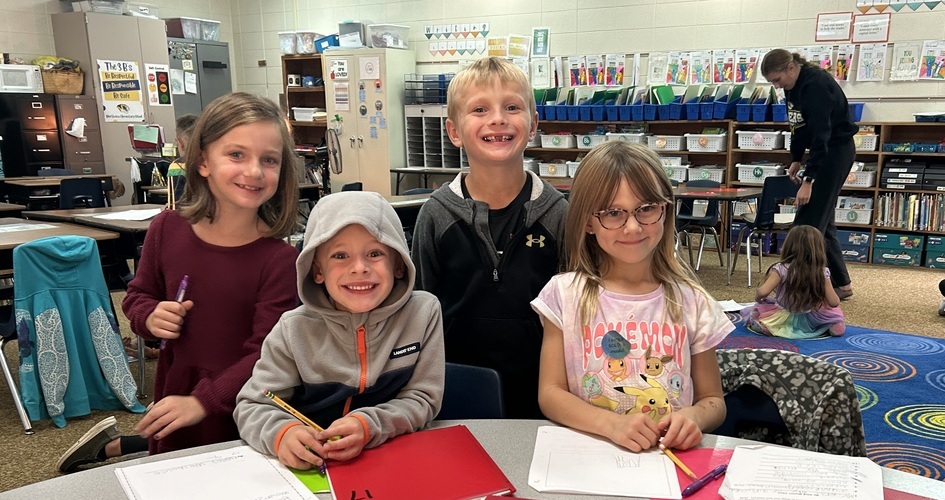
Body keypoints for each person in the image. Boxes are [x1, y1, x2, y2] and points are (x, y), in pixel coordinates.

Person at [56, 92, 301, 472]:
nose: (254, 171)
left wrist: (204, 401)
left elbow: (266, 355)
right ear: (202, 161)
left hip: (244, 409)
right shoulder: (167, 229)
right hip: (175, 396)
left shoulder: (280, 261)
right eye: (237, 155)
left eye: (269, 160)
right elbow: (137, 295)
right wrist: (151, 316)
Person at [531, 141, 732, 452]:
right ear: (588, 222)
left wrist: (693, 418)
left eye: (646, 208)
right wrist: (610, 424)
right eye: (613, 213)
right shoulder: (564, 295)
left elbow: (713, 400)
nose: (633, 227)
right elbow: (550, 393)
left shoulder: (693, 301)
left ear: (665, 210)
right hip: (590, 455)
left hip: (667, 460)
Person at [234, 191, 444, 470]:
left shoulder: (423, 312)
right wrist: (282, 434)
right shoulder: (293, 329)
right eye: (340, 255)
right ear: (317, 271)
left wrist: (369, 424)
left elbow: (423, 398)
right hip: (315, 465)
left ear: (398, 265)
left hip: (391, 458)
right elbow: (251, 406)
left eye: (375, 253)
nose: (359, 268)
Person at [410, 56, 568, 419]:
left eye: (512, 107)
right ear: (454, 132)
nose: (497, 119)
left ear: (533, 125)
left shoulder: (559, 214)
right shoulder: (436, 215)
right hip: (454, 391)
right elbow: (419, 308)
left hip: (543, 392)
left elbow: (574, 311)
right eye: (480, 109)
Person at [761, 48, 857, 300]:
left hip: (835, 150)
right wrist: (795, 158)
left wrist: (809, 181)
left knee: (807, 225)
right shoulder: (792, 86)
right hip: (823, 150)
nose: (777, 86)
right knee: (823, 220)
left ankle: (798, 287)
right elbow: (798, 127)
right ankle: (842, 284)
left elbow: (821, 135)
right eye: (772, 82)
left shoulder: (816, 85)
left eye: (777, 80)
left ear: (791, 68)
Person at [742, 225, 845, 339]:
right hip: (810, 318)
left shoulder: (781, 268)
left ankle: (767, 326)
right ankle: (833, 326)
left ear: (788, 246)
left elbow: (762, 292)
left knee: (759, 310)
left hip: (781, 316)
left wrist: (758, 299)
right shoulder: (821, 272)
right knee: (834, 313)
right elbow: (834, 302)